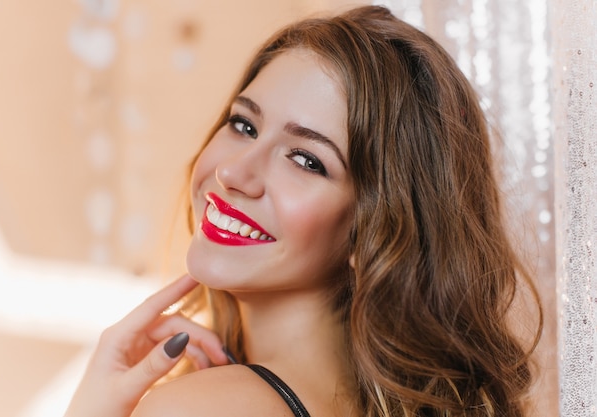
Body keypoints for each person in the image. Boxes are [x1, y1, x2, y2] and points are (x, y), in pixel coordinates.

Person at [65, 5, 543, 417]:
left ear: (375, 231)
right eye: (244, 125)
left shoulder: (197, 408)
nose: (235, 173)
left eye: (307, 160)